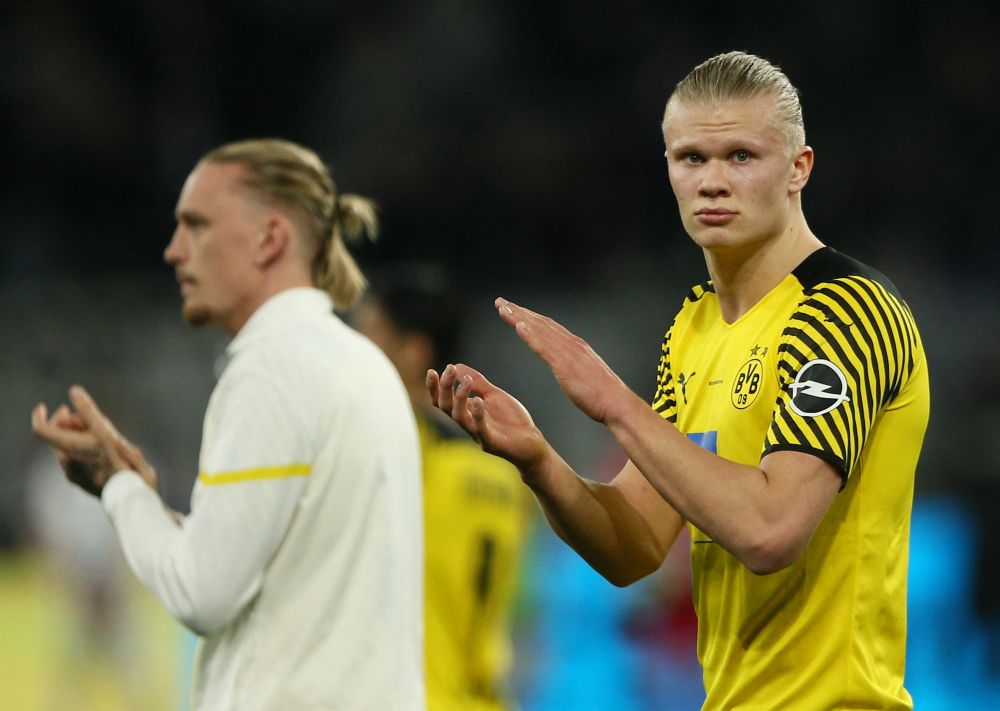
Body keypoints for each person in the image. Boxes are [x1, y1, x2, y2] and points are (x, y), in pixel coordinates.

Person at [426, 51, 930, 710]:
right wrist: (539, 460)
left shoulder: (844, 310)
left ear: (798, 169)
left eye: (741, 156)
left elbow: (771, 531)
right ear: (667, 168)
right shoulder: (693, 329)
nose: (713, 181)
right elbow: (633, 543)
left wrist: (615, 405)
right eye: (692, 157)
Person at [31, 138, 426, 711]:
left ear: (269, 239)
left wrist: (118, 490)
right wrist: (145, 497)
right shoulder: (362, 363)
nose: (173, 251)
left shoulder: (272, 370)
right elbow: (265, 566)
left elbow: (201, 594)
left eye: (196, 225)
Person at [351, 266, 532, 711]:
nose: (350, 354)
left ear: (412, 352)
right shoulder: (505, 469)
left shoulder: (400, 453)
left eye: (366, 335)